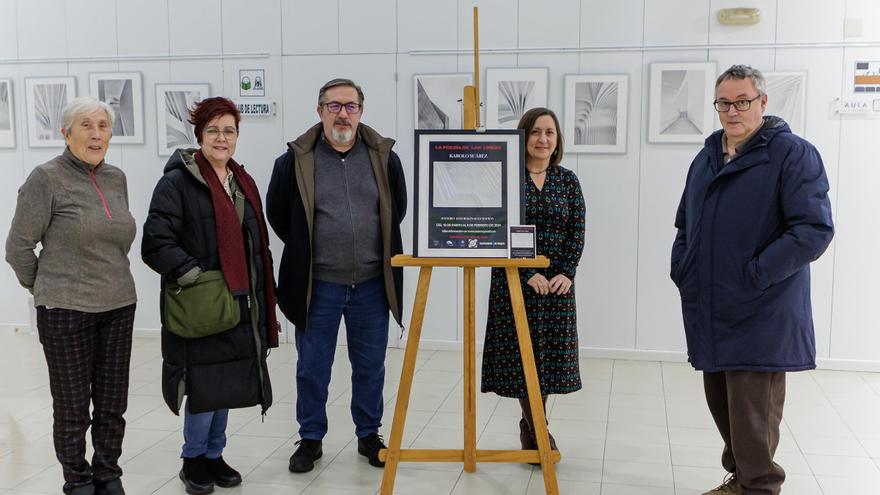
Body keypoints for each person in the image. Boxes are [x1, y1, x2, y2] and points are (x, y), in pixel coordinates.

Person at [670, 65, 834, 495]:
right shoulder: (706, 158)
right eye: (724, 102)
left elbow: (812, 231)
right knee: (724, 408)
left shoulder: (792, 154)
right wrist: (683, 268)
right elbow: (685, 224)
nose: (732, 110)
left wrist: (756, 274)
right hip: (711, 307)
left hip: (761, 308)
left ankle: (759, 487)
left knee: (753, 415)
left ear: (762, 102)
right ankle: (740, 481)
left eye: (742, 101)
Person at [266, 78, 407, 473]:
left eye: (350, 106)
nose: (342, 113)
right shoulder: (294, 161)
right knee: (312, 366)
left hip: (371, 286)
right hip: (319, 285)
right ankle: (310, 438)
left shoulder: (384, 158)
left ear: (361, 111)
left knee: (370, 365)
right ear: (319, 111)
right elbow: (279, 215)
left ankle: (368, 434)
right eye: (334, 106)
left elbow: (398, 209)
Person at [142, 97, 279, 494]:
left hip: (239, 300)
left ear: (237, 135)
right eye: (213, 130)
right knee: (202, 386)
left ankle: (215, 455)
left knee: (228, 383)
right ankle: (193, 459)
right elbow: (156, 242)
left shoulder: (241, 180)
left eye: (229, 130)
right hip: (201, 304)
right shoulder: (177, 182)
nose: (222, 138)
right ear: (199, 134)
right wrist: (195, 275)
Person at [5, 97, 137, 495]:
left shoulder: (116, 178)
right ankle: (77, 478)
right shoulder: (46, 178)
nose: (96, 133)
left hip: (118, 305)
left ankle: (108, 473)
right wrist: (45, 287)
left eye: (103, 125)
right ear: (65, 133)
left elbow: (116, 241)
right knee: (72, 407)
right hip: (65, 311)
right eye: (85, 125)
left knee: (113, 404)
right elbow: (18, 248)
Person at [481, 107, 586, 457]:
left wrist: (565, 273)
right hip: (515, 281)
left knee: (547, 361)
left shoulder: (567, 180)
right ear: (523, 137)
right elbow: (497, 231)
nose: (543, 139)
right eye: (536, 132)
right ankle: (539, 429)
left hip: (557, 285)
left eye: (550, 133)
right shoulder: (505, 179)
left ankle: (529, 424)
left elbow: (577, 232)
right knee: (522, 357)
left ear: (557, 140)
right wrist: (529, 274)